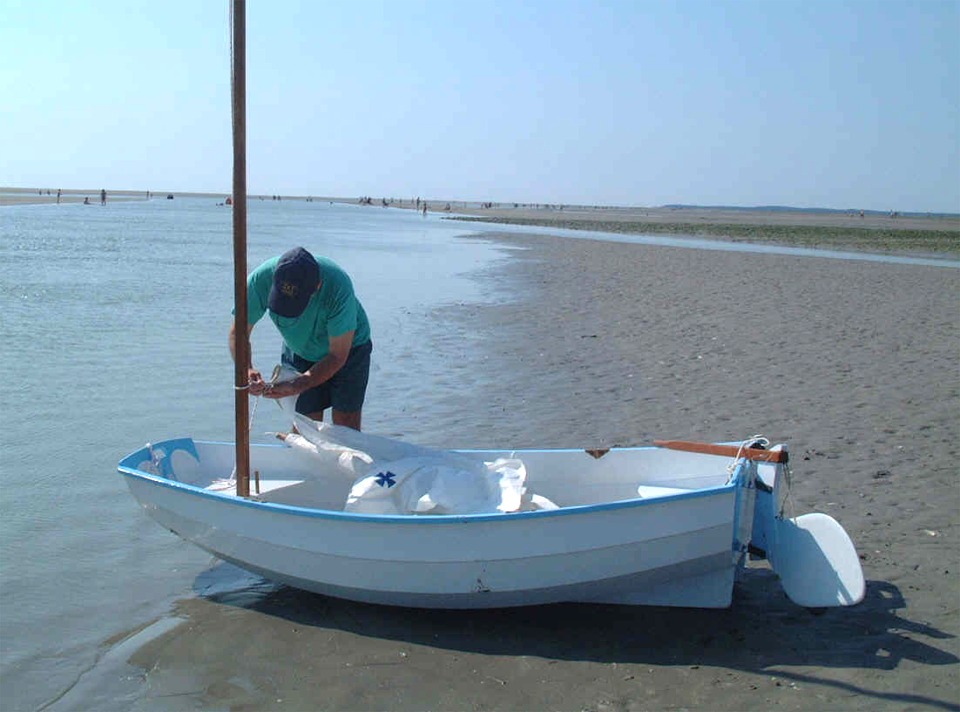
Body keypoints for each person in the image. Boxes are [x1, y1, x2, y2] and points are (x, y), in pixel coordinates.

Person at [229, 246, 372, 431]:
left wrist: (299, 384)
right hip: (299, 349)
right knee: (304, 426)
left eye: (294, 305)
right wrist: (246, 369)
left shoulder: (338, 287)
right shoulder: (259, 280)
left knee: (346, 426)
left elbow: (337, 355)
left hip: (349, 348)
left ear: (317, 286)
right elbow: (238, 333)